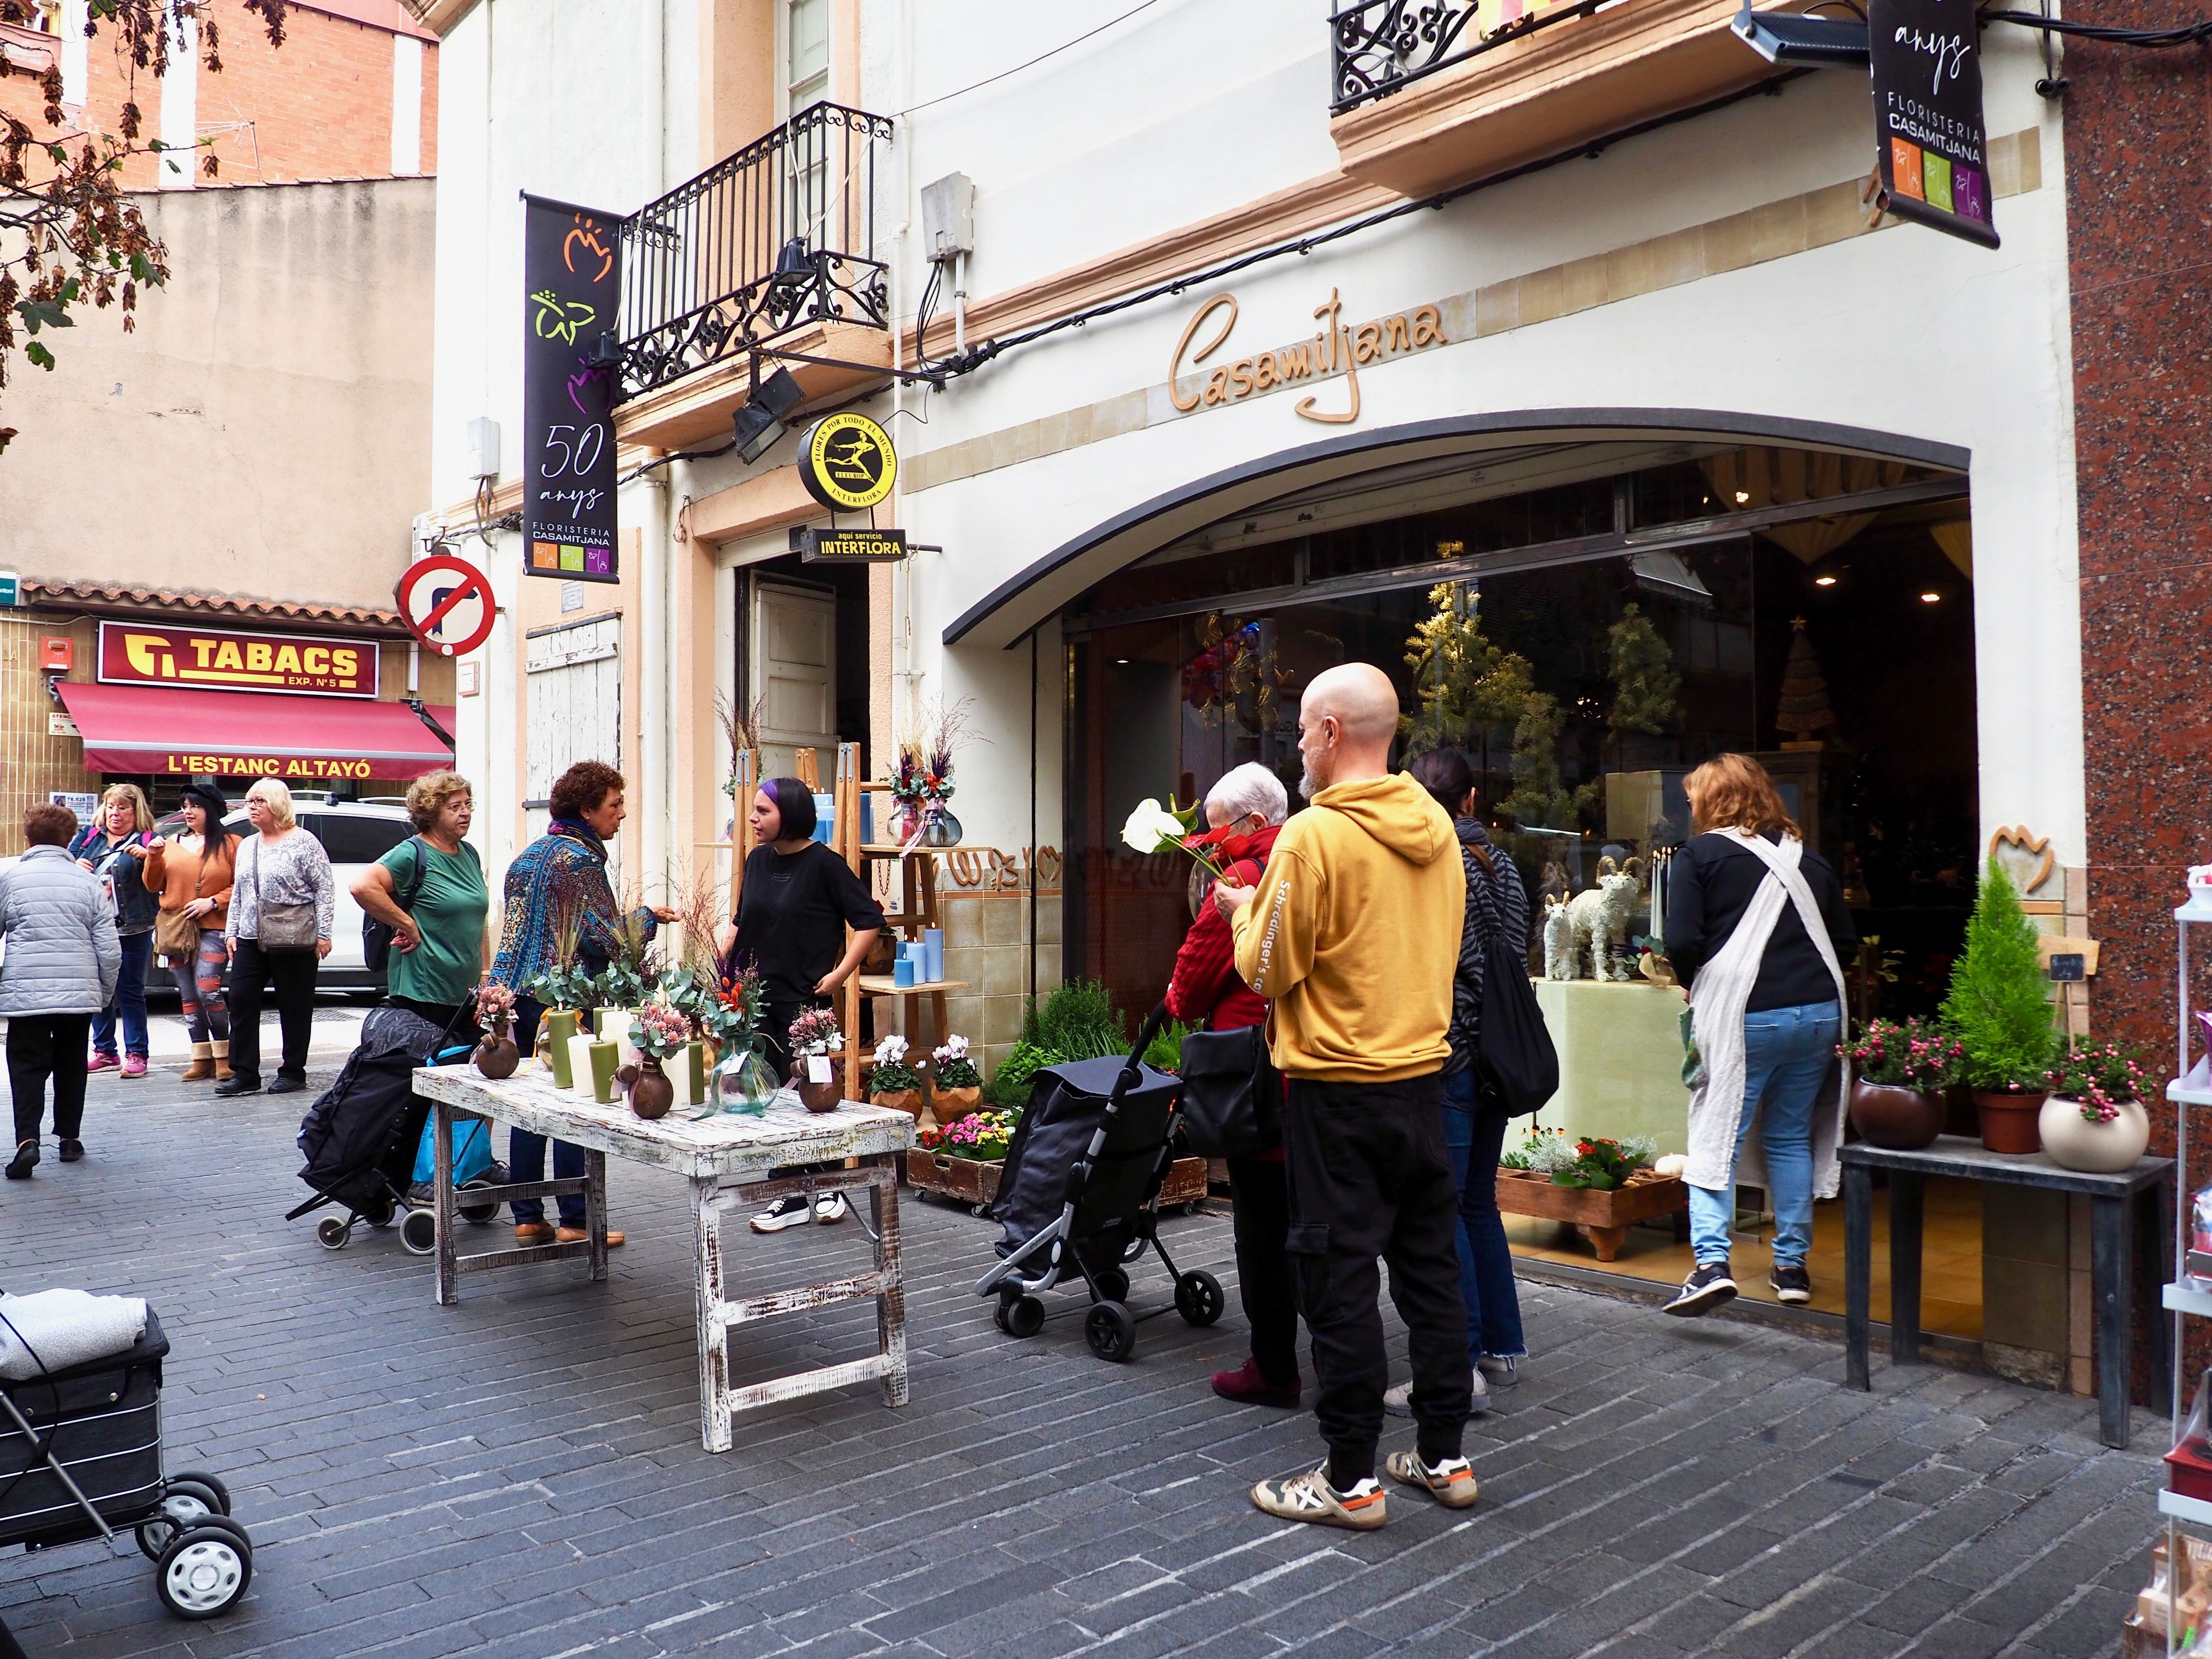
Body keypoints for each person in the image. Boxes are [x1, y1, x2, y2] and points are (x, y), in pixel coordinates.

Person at [1216, 662, 1478, 1529]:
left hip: (1334, 1091)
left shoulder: (1311, 837)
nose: (1295, 742)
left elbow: (1265, 966)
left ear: (1331, 731)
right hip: (1421, 1082)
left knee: (1336, 1280)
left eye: (1300, 726)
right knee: (1429, 1272)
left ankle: (1349, 1477)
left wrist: (1240, 910)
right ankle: (1442, 1455)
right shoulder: (1436, 827)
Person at [1662, 753, 1856, 1316]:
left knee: (1715, 1132)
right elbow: (1842, 944)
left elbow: (1681, 941)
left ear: (1715, 800)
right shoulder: (1811, 862)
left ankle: (1711, 1266)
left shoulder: (1698, 857)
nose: (1691, 806)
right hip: (1819, 1014)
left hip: (1748, 1017)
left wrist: (1693, 983)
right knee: (1790, 1136)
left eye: (1695, 796)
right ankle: (1792, 1268)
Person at [1382, 749, 1529, 1421]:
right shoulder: (1505, 868)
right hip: (1503, 1056)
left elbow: (1439, 969)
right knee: (1477, 1204)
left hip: (1453, 1057)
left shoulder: (1433, 864)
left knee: (1441, 1212)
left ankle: (1458, 1362)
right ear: (1470, 799)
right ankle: (1501, 1346)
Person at [1163, 761, 1306, 1410]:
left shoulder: (1243, 878)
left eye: (1218, 830)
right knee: (1316, 1223)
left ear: (1252, 824)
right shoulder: (1311, 861)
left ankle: (1274, 1367)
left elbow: (1190, 987)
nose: (1211, 842)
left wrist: (1175, 995)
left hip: (1257, 1082)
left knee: (1263, 1228)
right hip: (1320, 1081)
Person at [488, 760, 676, 1248]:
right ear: (588, 811)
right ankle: (575, 1218)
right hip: (565, 1001)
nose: (623, 815)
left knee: (530, 1107)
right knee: (575, 1102)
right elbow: (604, 939)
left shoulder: (528, 857)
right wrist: (648, 918)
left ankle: (528, 1217)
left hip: (517, 999)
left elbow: (511, 935)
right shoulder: (582, 862)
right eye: (615, 806)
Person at [717, 778, 883, 1234]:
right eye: (753, 810)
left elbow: (869, 921)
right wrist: (721, 973)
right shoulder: (756, 861)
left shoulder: (825, 865)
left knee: (817, 1096)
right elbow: (741, 920)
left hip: (805, 1006)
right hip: (755, 1002)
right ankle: (789, 1194)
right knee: (769, 1099)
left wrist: (841, 974)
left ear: (789, 813)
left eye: (763, 811)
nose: (753, 819)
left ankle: (828, 1186)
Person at [0, 804, 120, 1177]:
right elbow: (110, 950)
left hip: (26, 992)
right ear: (70, 839)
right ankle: (69, 1139)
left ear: (28, 837)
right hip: (77, 991)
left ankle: (27, 1141)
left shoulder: (11, 880)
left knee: (26, 1066)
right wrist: (102, 994)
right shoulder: (87, 882)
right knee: (71, 1063)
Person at [216, 779, 334, 1098]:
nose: (251, 806)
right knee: (241, 999)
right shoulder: (248, 845)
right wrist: (232, 931)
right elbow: (239, 891)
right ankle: (245, 1073)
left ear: (278, 804)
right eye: (249, 800)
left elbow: (324, 888)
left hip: (294, 936)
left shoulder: (304, 842)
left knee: (294, 1005)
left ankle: (293, 1071)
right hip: (251, 936)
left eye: (259, 801)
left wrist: (324, 933)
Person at [352, 770, 489, 1032]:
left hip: (466, 992)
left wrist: (484, 974)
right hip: (424, 991)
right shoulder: (412, 853)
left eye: (468, 805)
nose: (466, 812)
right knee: (427, 1068)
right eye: (455, 807)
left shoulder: (469, 853)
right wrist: (408, 924)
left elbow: (476, 917)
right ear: (433, 813)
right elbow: (362, 886)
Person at [144, 783, 236, 1083]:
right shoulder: (170, 842)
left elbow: (243, 886)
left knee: (208, 987)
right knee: (187, 994)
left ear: (211, 809)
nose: (188, 811)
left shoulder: (234, 844)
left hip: (216, 925)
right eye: (184, 805)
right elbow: (152, 884)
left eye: (194, 806)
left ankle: (225, 1055)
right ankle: (202, 1057)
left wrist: (213, 901)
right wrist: (154, 857)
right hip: (176, 927)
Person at [70, 784, 159, 1080]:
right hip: (93, 925)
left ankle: (137, 1052)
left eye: (123, 808)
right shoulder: (89, 837)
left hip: (133, 926)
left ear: (137, 811)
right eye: (111, 807)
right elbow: (63, 864)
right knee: (99, 991)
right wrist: (75, 865)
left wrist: (149, 858)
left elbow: (162, 878)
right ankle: (105, 1051)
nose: (115, 813)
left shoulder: (151, 840)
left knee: (130, 990)